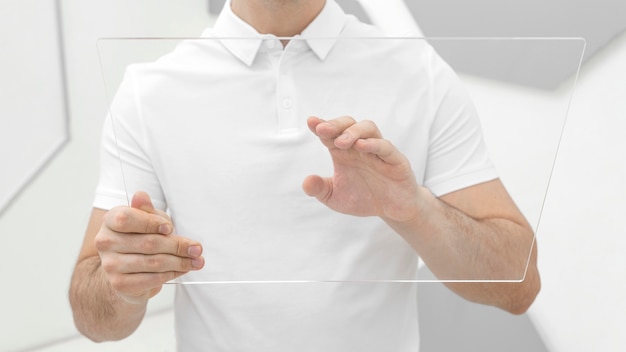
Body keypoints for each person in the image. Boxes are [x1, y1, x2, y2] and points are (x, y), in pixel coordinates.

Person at [69, 0, 540, 351]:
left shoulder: (419, 72)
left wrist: (412, 210)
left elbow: (519, 285)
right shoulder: (148, 92)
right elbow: (92, 316)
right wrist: (125, 281)